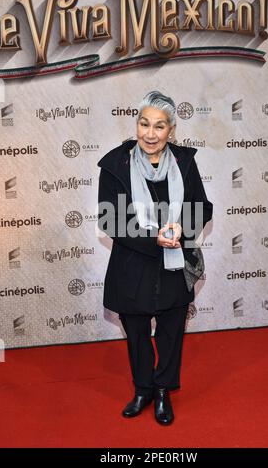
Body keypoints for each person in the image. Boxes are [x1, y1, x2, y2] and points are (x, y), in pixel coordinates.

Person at [97, 90, 213, 425]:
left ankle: (163, 391)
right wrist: (153, 238)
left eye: (159, 126)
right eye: (144, 123)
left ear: (171, 129)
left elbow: (202, 207)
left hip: (174, 266)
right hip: (132, 265)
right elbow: (109, 218)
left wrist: (182, 227)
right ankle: (143, 389)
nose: (150, 133)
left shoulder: (184, 162)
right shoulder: (115, 163)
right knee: (136, 335)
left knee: (171, 333)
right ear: (136, 125)